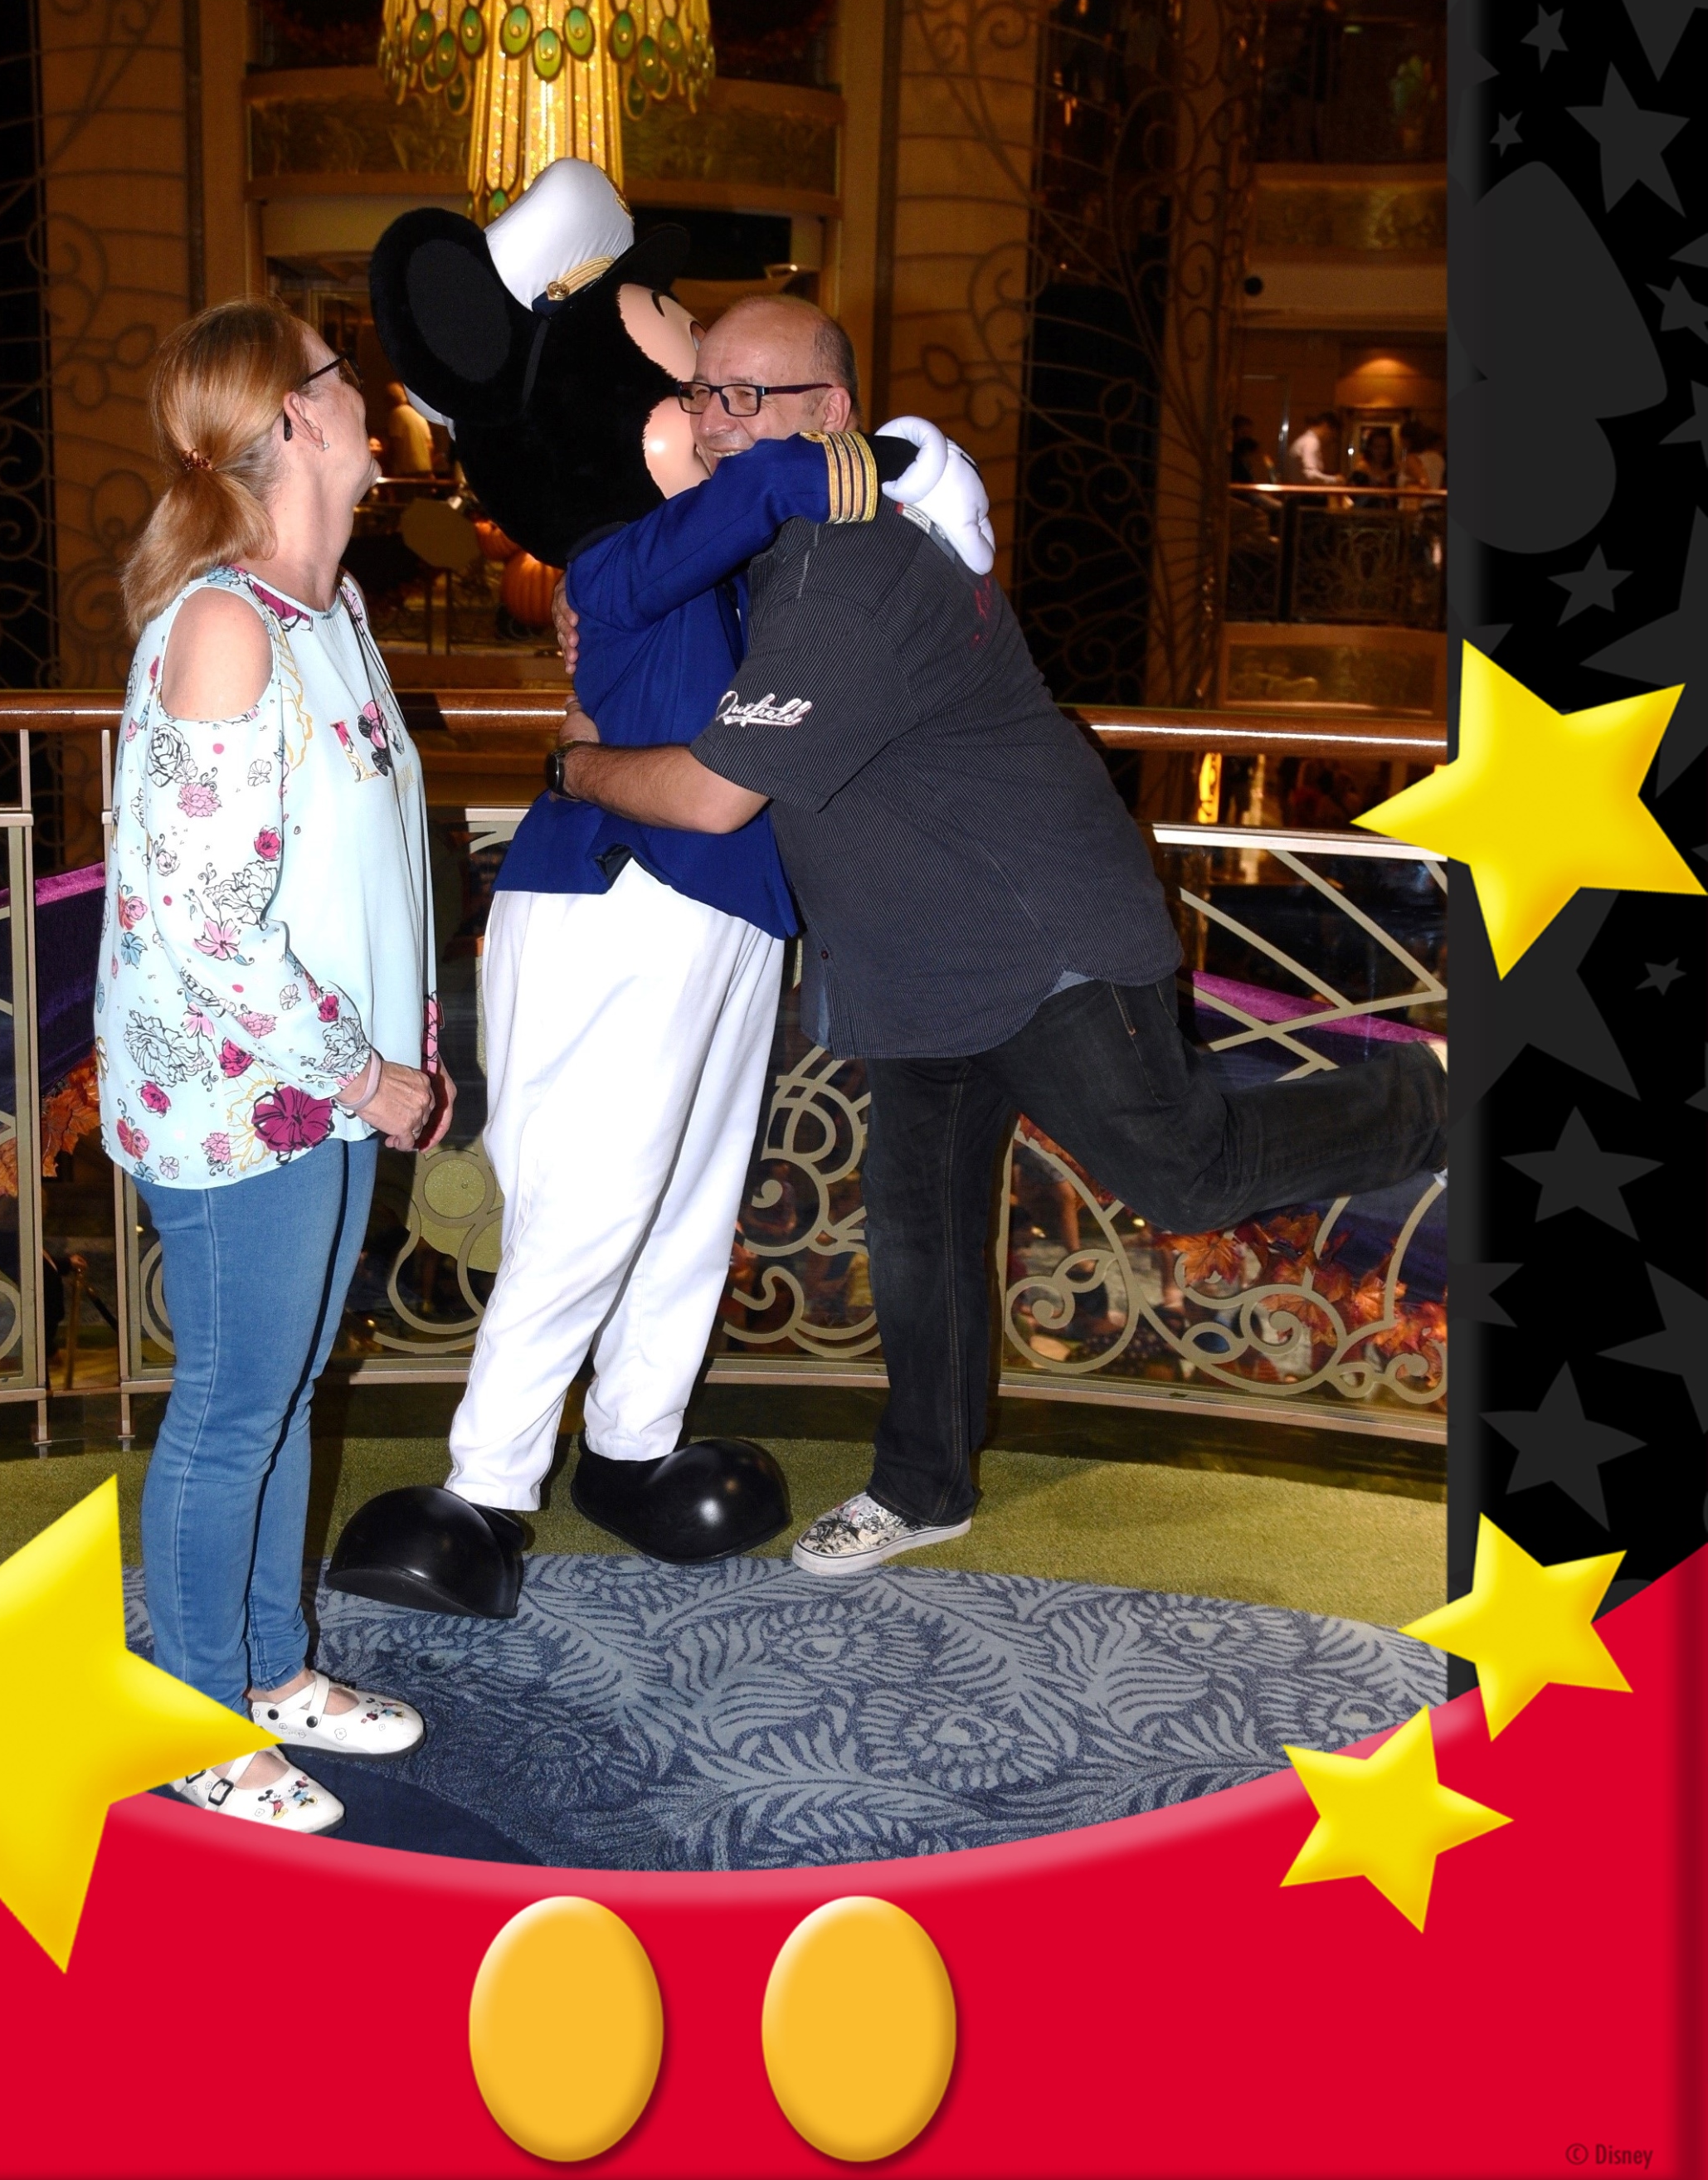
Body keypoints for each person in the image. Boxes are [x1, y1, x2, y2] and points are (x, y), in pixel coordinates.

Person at [551, 419, 1448, 1580]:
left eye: (751, 393)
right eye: (706, 389)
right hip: (917, 963)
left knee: (1183, 1174)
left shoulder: (851, 568)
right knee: (918, 1238)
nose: (721, 416)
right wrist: (592, 598)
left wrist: (570, 768)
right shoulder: (778, 556)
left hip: (1039, 944)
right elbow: (667, 612)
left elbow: (715, 793)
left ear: (831, 414)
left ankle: (1433, 1097)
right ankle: (922, 1488)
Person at [348, 163, 990, 1614]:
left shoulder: (708, 558)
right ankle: (485, 1484)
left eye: (726, 390)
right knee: (594, 1195)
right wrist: (892, 456)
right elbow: (774, 483)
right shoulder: (629, 551)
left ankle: (634, 1441)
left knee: (692, 1194)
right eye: (692, 377)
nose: (712, 405)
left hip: (725, 905)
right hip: (625, 890)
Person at [95, 298, 455, 1830]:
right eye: (343, 375)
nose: (370, 398)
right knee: (234, 1405)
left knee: (290, 1384)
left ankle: (266, 1671)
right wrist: (368, 1075)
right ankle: (192, 1716)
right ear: (299, 419)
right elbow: (207, 927)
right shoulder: (225, 625)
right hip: (242, 1092)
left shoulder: (333, 609)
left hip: (329, 1083)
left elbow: (360, 864)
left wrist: (399, 1047)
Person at [380, 378, 434, 476]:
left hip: (407, 472)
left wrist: (387, 463)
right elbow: (430, 445)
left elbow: (394, 444)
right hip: (426, 470)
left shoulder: (396, 414)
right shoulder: (419, 414)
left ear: (390, 399)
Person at [1286, 410, 1344, 484]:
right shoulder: (1311, 442)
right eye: (1332, 435)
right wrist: (1335, 480)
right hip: (1304, 490)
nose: (1330, 440)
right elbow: (1310, 475)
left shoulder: (1305, 440)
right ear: (1325, 426)